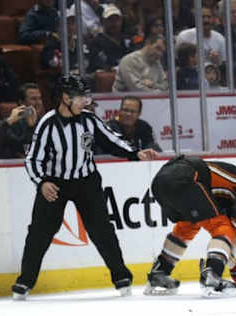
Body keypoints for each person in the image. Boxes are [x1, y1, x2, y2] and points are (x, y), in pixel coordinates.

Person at [11, 75, 161, 300]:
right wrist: (42, 182)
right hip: (55, 184)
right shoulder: (48, 123)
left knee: (102, 230)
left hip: (86, 181)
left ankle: (121, 276)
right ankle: (25, 281)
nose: (86, 101)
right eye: (81, 97)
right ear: (65, 98)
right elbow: (33, 159)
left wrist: (134, 153)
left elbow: (112, 139)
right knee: (39, 234)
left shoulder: (89, 120)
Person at [145, 157, 236, 297]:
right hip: (185, 178)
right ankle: (212, 275)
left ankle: (160, 272)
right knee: (223, 228)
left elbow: (229, 214)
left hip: (161, 181)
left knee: (188, 225)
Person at [87, 4, 134, 73]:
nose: (114, 23)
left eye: (117, 20)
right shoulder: (96, 43)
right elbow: (101, 64)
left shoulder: (128, 40)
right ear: (103, 21)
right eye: (110, 20)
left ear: (121, 21)